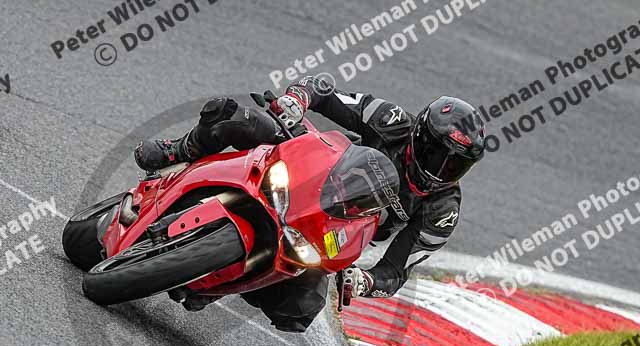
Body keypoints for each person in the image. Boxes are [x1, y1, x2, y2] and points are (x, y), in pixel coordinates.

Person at [134, 76, 486, 332]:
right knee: (233, 116)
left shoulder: (443, 212)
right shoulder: (391, 120)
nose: (440, 169)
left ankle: (223, 281)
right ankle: (179, 151)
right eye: (436, 154)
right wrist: (297, 100)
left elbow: (395, 271)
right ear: (419, 135)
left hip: (334, 229)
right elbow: (324, 91)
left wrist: (365, 281)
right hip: (317, 164)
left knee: (300, 310)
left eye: (455, 165)